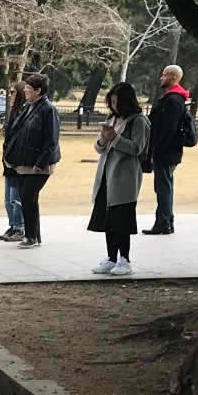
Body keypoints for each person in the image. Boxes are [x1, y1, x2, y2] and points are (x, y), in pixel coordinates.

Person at [89, 81, 147, 276]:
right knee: (108, 219)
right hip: (107, 174)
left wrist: (115, 138)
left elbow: (137, 148)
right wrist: (104, 139)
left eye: (117, 102)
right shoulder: (112, 119)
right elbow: (99, 147)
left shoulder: (138, 121)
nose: (114, 106)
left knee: (121, 219)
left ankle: (125, 259)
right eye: (111, 102)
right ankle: (111, 257)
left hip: (125, 177)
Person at [1, 75, 60, 248]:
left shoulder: (48, 110)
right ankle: (35, 236)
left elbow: (51, 140)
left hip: (38, 165)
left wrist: (39, 163)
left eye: (28, 87)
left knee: (27, 197)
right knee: (29, 198)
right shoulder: (28, 107)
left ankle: (31, 236)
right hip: (23, 164)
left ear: (38, 91)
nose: (24, 90)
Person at [146, 64, 193, 235]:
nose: (161, 77)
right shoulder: (171, 98)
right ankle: (166, 221)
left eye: (164, 75)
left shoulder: (173, 100)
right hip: (167, 151)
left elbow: (169, 129)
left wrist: (157, 149)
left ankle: (163, 223)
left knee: (163, 187)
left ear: (173, 78)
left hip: (167, 152)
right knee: (165, 187)